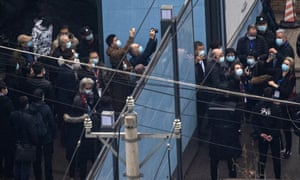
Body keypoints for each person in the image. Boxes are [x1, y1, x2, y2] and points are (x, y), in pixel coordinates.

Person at [63, 78, 112, 180]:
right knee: (81, 158)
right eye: (87, 87)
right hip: (82, 135)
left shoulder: (88, 97)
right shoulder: (79, 101)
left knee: (80, 158)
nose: (89, 89)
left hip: (81, 135)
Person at [208, 83, 242, 180]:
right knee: (231, 161)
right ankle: (232, 177)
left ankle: (214, 178)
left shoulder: (211, 106)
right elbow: (237, 122)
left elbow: (209, 120)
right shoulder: (233, 106)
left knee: (214, 162)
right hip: (229, 137)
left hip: (215, 136)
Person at [268, 57, 296, 159]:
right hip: (275, 101)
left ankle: (288, 150)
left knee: (286, 129)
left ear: (291, 67)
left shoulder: (291, 78)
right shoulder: (279, 72)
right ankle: (280, 146)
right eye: (284, 63)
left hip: (284, 105)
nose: (284, 65)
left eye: (287, 64)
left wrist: (275, 86)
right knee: (276, 126)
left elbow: (286, 91)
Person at [252, 87, 282, 179]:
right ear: (272, 96)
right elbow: (279, 124)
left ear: (263, 96)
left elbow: (254, 121)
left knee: (262, 158)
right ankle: (277, 177)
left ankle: (261, 177)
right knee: (276, 158)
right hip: (274, 137)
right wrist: (272, 135)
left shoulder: (258, 107)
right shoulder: (276, 108)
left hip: (263, 135)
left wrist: (260, 133)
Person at [28, 89, 56, 180]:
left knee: (36, 160)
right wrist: (53, 134)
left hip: (35, 137)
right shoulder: (46, 108)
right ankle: (48, 177)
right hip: (46, 136)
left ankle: (38, 177)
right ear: (42, 97)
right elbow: (51, 123)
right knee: (48, 160)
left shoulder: (30, 108)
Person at [106, 28, 135, 112]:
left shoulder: (119, 50)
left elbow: (125, 61)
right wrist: (131, 38)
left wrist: (129, 68)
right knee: (120, 101)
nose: (118, 41)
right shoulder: (113, 53)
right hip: (118, 80)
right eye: (116, 40)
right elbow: (123, 51)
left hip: (126, 78)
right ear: (111, 44)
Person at [10, 96, 38, 180]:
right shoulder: (29, 118)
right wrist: (36, 143)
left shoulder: (13, 114)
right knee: (25, 169)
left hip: (16, 143)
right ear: (26, 105)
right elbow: (33, 134)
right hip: (27, 146)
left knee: (17, 166)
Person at [0, 81, 15, 179]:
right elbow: (12, 115)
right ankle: (7, 172)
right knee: (8, 154)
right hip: (7, 131)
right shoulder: (7, 101)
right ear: (2, 90)